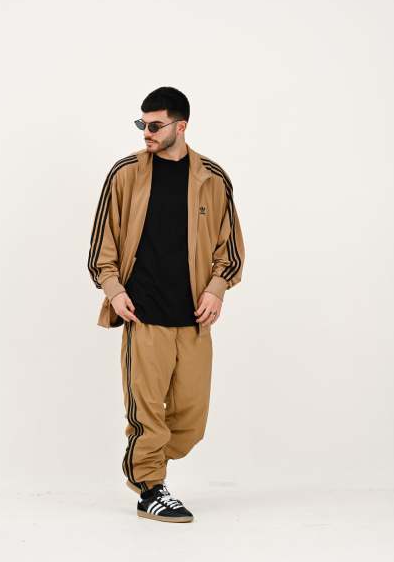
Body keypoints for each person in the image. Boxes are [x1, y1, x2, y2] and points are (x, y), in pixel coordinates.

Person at [87, 86, 245, 523]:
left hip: (194, 319)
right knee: (147, 415)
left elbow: (229, 249)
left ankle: (146, 462)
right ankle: (149, 486)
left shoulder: (212, 178)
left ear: (181, 126)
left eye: (155, 125)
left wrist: (216, 288)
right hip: (143, 315)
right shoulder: (125, 174)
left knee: (191, 422)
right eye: (142, 124)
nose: (147, 133)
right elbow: (101, 245)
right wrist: (114, 290)